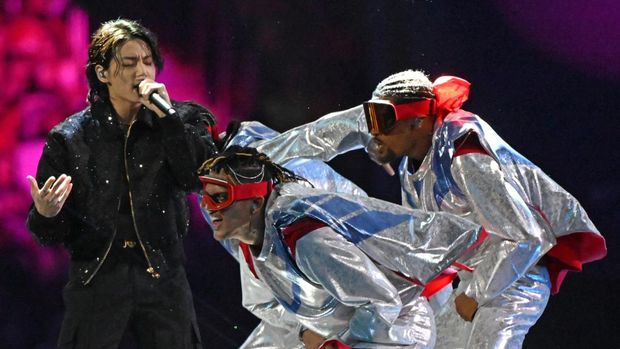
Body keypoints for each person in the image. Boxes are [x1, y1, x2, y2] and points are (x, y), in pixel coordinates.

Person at [252, 70, 607, 348]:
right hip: (466, 275)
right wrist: (257, 157)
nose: (373, 135)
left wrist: (475, 294)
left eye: (383, 126)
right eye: (371, 124)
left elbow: (527, 237)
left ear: (418, 122)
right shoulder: (410, 149)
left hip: (514, 277)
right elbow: (327, 132)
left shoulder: (464, 154)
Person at [25, 18, 216, 348]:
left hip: (162, 276)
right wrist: (46, 212)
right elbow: (47, 234)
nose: (141, 72)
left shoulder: (179, 121)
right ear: (102, 74)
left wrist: (168, 120)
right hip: (97, 279)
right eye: (129, 63)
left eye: (147, 62)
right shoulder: (69, 138)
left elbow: (197, 178)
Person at [198, 146, 487, 348]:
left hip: (393, 334)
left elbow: (382, 302)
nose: (209, 209)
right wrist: (306, 334)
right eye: (205, 198)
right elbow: (267, 305)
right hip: (337, 333)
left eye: (219, 198)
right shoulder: (250, 241)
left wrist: (340, 344)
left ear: (255, 202)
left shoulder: (305, 238)